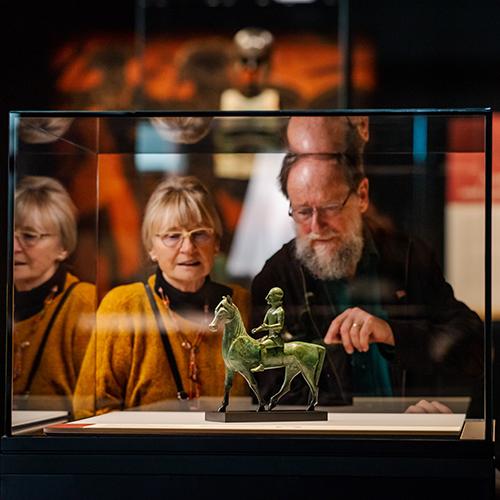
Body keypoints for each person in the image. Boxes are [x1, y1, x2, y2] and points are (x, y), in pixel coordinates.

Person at [251, 116, 484, 409]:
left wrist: (391, 333)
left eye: (330, 207)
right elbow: (270, 394)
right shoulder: (276, 280)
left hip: (411, 434)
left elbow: (474, 347)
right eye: (302, 212)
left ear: (361, 195)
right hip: (332, 449)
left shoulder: (409, 257)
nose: (316, 226)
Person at [74, 176, 249, 418]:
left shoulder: (242, 305)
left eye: (199, 234)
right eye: (172, 236)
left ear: (216, 243)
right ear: (151, 248)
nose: (188, 248)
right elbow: (90, 410)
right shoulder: (123, 306)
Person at [13, 176, 95, 412]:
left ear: (63, 247)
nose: (15, 247)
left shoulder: (83, 303)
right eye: (11, 233)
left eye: (29, 236)